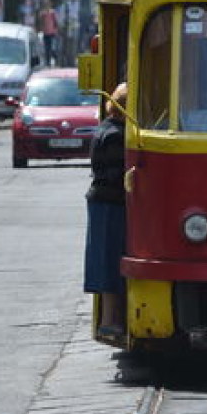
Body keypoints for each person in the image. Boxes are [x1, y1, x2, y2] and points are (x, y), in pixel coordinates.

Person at [85, 83, 128, 342]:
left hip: (104, 202)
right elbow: (116, 175)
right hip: (110, 204)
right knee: (111, 261)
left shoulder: (106, 128)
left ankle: (110, 321)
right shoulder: (115, 135)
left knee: (106, 260)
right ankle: (109, 322)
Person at [38, 0, 59, 67]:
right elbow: (40, 22)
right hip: (45, 33)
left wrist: (56, 30)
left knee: (53, 48)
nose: (46, 6)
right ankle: (48, 62)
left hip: (52, 33)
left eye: (48, 4)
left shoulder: (52, 13)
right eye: (45, 4)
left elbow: (56, 22)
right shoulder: (42, 14)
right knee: (47, 48)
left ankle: (56, 60)